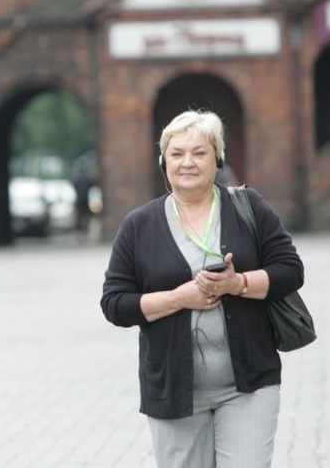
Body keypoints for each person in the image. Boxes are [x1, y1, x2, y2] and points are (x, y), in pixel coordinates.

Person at [99, 110, 304, 468]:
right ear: (164, 162)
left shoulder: (248, 207)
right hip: (173, 389)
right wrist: (181, 298)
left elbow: (290, 271)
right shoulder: (138, 225)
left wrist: (237, 283)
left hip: (249, 384)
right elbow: (115, 304)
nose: (187, 162)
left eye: (199, 152)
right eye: (177, 154)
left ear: (217, 159)